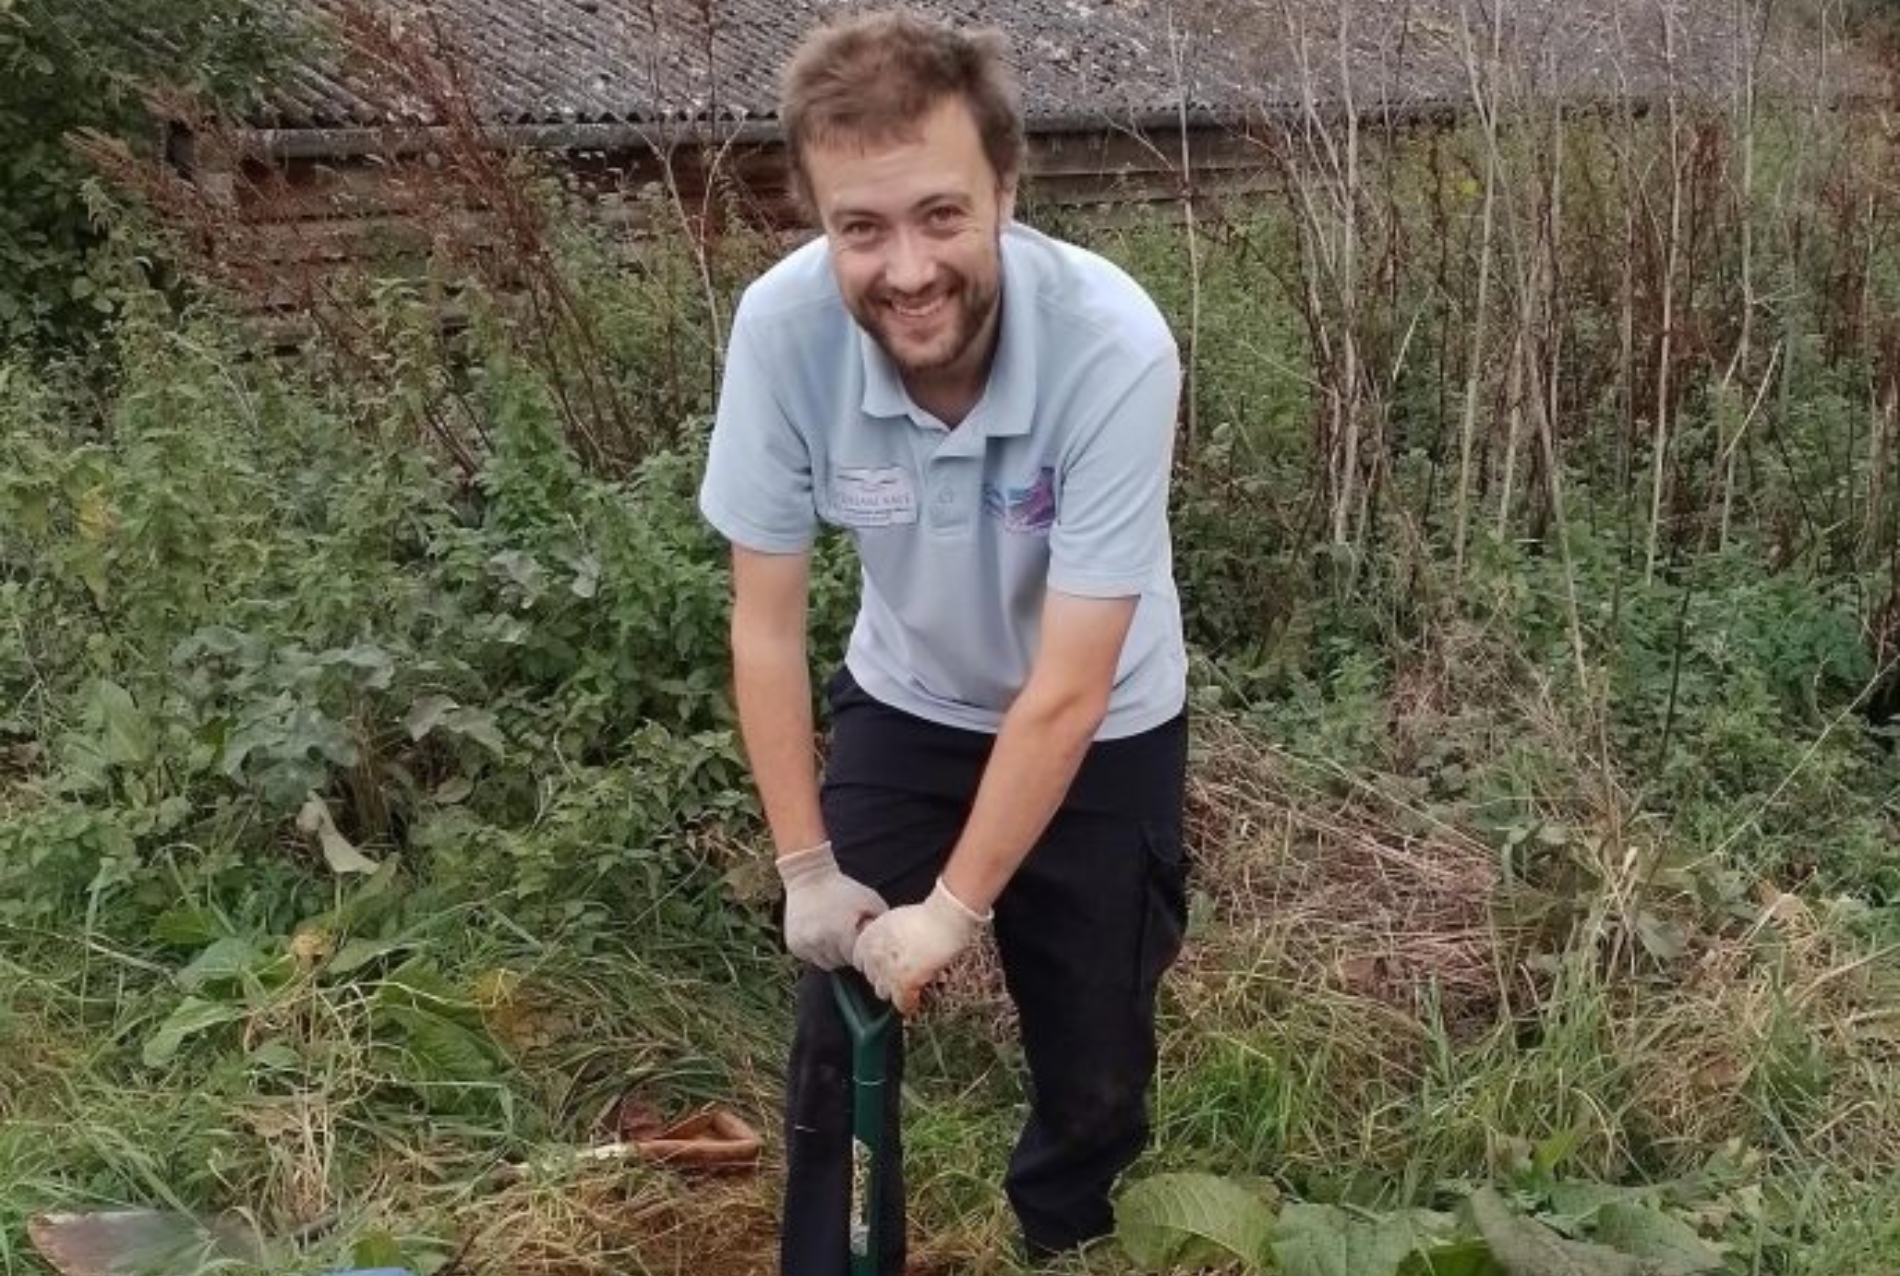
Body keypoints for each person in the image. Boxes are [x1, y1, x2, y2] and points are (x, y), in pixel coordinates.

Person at [696, 9, 1190, 1272]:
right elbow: (765, 623)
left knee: (1094, 1060)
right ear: (816, 218)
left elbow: (1067, 692)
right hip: (908, 696)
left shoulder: (1113, 347)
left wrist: (955, 910)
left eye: (939, 216)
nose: (905, 269)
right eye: (859, 227)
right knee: (834, 1027)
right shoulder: (783, 331)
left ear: (1006, 192)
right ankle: (835, 1259)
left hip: (1103, 723)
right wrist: (807, 866)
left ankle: (1065, 1243)